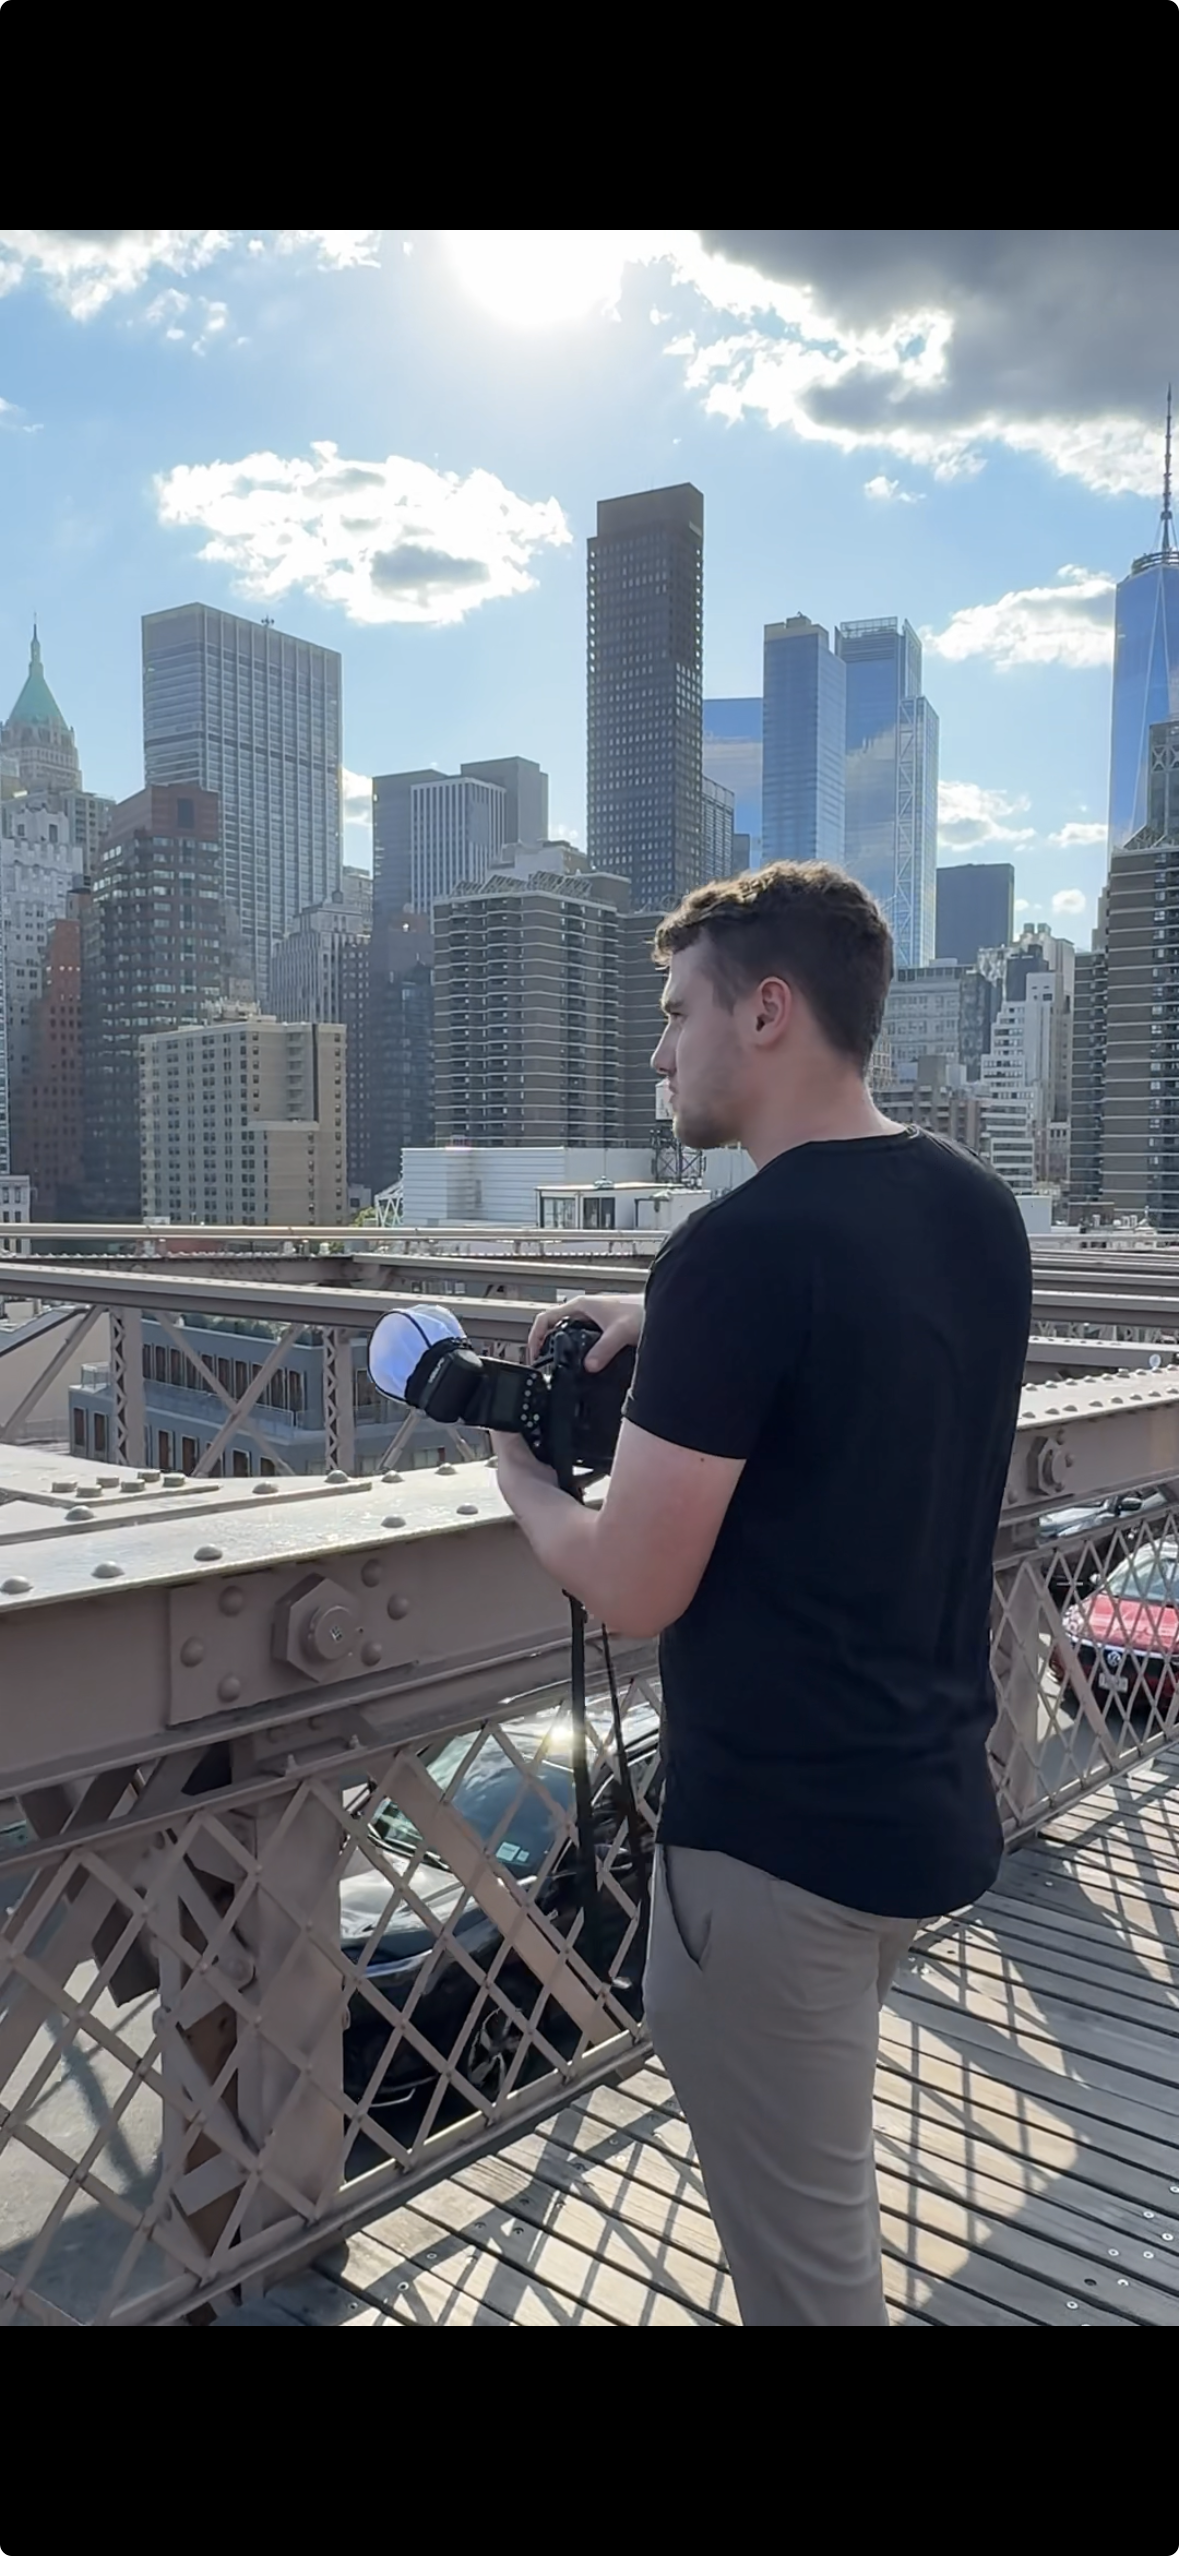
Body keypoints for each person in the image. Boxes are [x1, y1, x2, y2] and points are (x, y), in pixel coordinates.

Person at [492, 862, 1031, 2327]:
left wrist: (520, 1482)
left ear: (769, 1013)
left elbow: (633, 1586)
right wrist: (659, 1319)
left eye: (678, 1012)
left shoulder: (736, 1251)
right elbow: (859, 1315)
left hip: (770, 1858)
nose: (658, 1049)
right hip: (921, 1806)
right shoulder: (975, 1215)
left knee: (811, 2288)